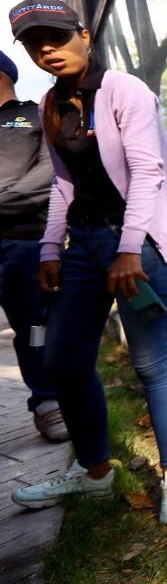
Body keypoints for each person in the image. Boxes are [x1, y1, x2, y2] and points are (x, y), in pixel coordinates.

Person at [7, 0, 167, 523]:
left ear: (84, 35)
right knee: (63, 359)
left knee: (151, 360)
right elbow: (63, 183)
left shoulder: (124, 90)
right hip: (85, 245)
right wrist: (50, 249)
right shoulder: (50, 103)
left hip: (139, 242)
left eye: (56, 36)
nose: (47, 48)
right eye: (32, 42)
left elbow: (147, 172)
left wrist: (131, 247)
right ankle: (95, 473)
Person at [0, 49, 66, 442]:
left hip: (24, 242)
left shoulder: (36, 115)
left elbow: (50, 171)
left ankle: (48, 400)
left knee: (33, 326)